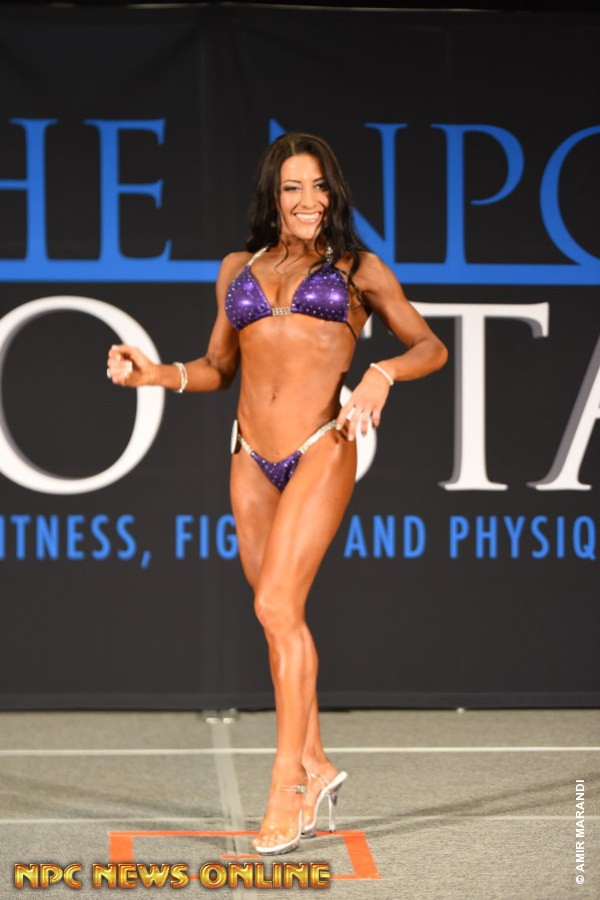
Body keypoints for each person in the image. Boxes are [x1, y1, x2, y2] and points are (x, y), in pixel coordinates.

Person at [106, 132, 448, 855]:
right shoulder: (239, 269)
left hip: (322, 444)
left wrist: (382, 374)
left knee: (275, 607)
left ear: (333, 192)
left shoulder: (358, 269)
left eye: (319, 186)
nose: (307, 200)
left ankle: (287, 785)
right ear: (273, 195)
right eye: (293, 187)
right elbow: (216, 367)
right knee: (277, 618)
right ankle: (317, 765)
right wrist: (153, 374)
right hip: (250, 455)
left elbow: (430, 346)